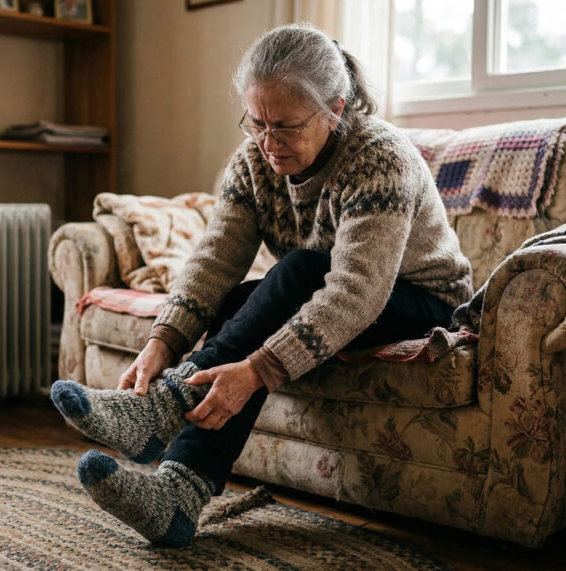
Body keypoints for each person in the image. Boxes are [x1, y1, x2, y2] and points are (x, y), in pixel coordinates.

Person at [50, 23, 473, 547]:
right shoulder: (253, 161)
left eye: (287, 127)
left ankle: (162, 408)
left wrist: (257, 370)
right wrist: (164, 340)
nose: (269, 143)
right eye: (257, 123)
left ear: (335, 110)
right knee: (235, 301)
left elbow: (357, 290)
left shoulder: (379, 158)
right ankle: (177, 495)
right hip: (333, 289)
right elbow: (214, 259)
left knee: (297, 269)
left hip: (419, 300)